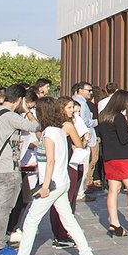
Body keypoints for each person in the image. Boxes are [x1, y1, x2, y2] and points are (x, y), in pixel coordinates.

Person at [0, 97, 97, 255]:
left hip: (52, 184)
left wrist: (44, 186)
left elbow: (50, 160)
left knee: (30, 222)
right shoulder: (59, 130)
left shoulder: (50, 133)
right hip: (62, 182)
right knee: (68, 219)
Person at [0, 82, 40, 255]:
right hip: (8, 167)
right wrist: (28, 111)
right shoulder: (9, 116)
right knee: (4, 209)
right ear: (20, 99)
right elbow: (36, 126)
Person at [97, 89, 128, 237]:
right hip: (122, 157)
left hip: (109, 157)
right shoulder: (118, 117)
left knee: (113, 189)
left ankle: (114, 223)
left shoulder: (103, 117)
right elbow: (123, 138)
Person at [49, 96, 98, 243]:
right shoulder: (68, 125)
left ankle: (59, 233)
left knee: (57, 202)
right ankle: (62, 235)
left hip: (58, 165)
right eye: (69, 108)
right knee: (67, 201)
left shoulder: (51, 124)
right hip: (70, 164)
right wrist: (84, 139)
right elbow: (80, 144)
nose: (73, 111)